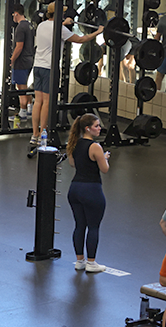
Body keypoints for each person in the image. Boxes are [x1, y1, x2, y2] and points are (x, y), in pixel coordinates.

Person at [31, 2, 103, 144]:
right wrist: (98, 32)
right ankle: (42, 135)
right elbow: (81, 39)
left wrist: (64, 23)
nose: (63, 14)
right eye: (62, 13)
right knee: (46, 102)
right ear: (57, 14)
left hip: (37, 66)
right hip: (49, 69)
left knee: (38, 101)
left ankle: (34, 135)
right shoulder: (60, 29)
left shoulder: (41, 25)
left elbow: (54, 29)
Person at [66, 113, 110, 273]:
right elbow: (104, 169)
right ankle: (91, 263)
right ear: (88, 128)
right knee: (93, 227)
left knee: (79, 226)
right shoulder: (95, 147)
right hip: (91, 190)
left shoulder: (73, 144)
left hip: (75, 189)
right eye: (97, 126)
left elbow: (73, 164)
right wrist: (104, 158)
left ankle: (80, 261)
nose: (99, 128)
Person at [9, 4, 35, 121]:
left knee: (21, 88)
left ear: (16, 14)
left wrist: (12, 59)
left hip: (21, 61)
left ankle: (22, 113)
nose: (12, 17)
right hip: (29, 60)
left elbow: (19, 46)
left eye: (13, 15)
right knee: (25, 85)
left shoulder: (20, 27)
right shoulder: (30, 25)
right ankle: (29, 108)